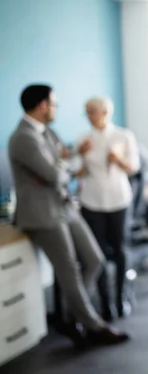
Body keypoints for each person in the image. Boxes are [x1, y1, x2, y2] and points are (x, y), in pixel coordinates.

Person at [8, 84, 130, 346]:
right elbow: (57, 174)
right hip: (43, 214)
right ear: (42, 105)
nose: (55, 109)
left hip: (64, 206)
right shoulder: (23, 138)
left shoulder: (48, 133)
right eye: (53, 104)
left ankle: (75, 312)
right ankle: (94, 325)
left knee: (95, 259)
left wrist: (60, 168)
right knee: (69, 272)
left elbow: (62, 167)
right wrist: (61, 170)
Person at [77, 96, 140, 320]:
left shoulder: (123, 135)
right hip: (92, 201)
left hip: (118, 200)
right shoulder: (84, 139)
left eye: (91, 111)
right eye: (86, 111)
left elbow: (134, 168)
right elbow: (76, 172)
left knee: (121, 250)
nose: (88, 116)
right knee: (99, 253)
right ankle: (105, 303)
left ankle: (121, 297)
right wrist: (80, 155)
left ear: (105, 112)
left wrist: (119, 159)